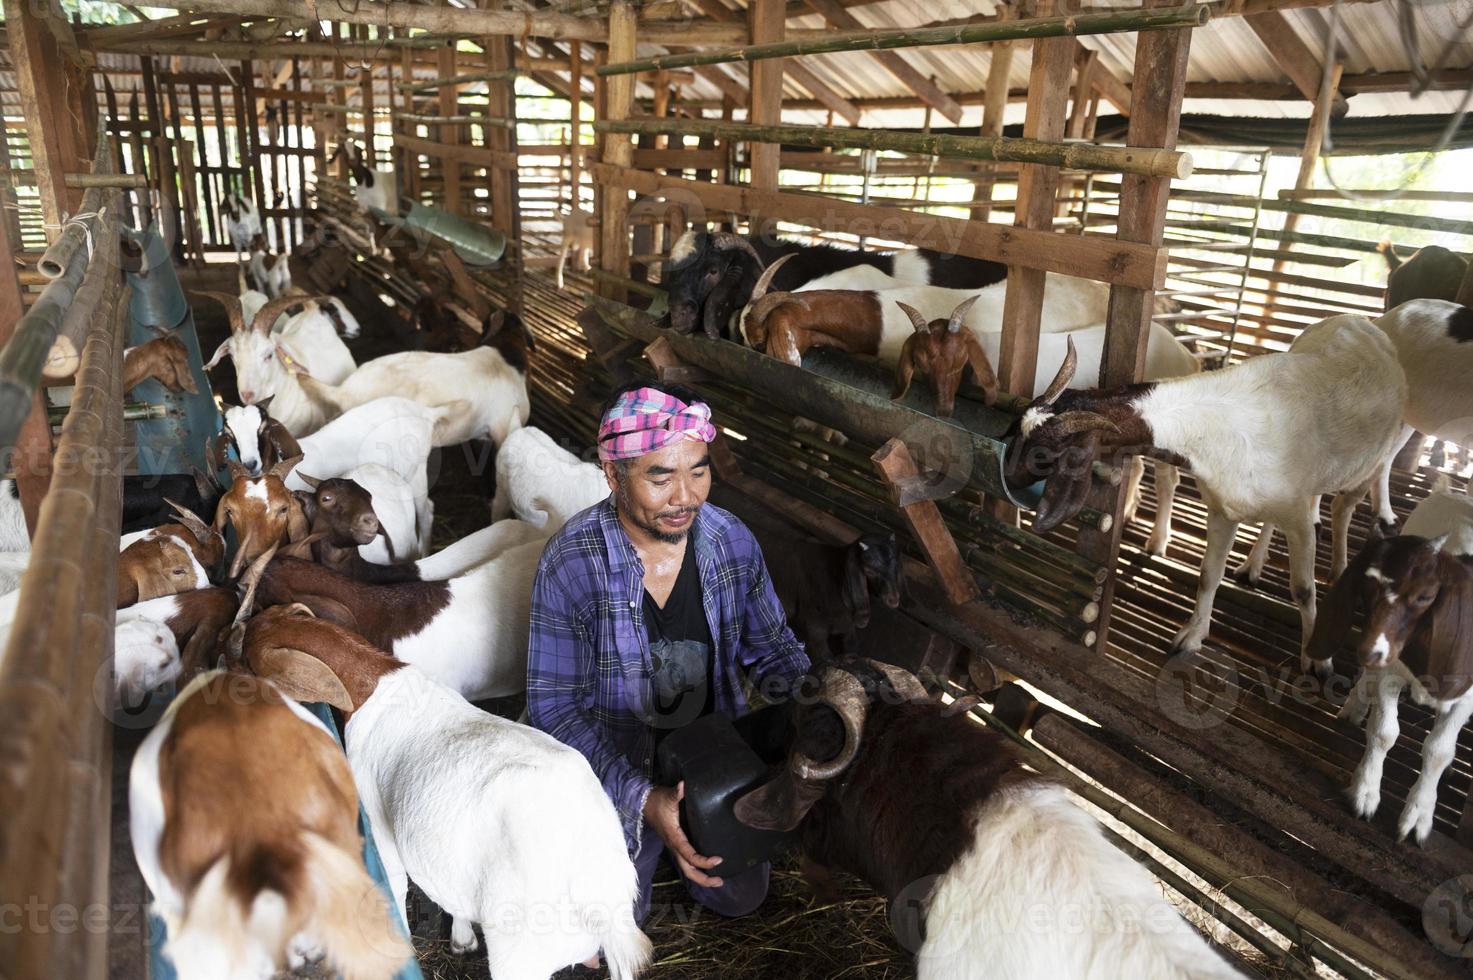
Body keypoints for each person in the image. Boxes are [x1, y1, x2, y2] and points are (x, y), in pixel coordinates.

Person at [526, 380, 810, 924]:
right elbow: (555, 710)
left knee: (740, 896)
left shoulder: (731, 541)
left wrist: (818, 708)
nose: (686, 497)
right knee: (600, 939)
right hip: (612, 759)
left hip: (711, 754)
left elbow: (774, 651)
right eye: (661, 477)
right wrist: (643, 800)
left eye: (698, 470)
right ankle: (627, 854)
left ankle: (684, 839)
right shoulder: (571, 563)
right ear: (613, 475)